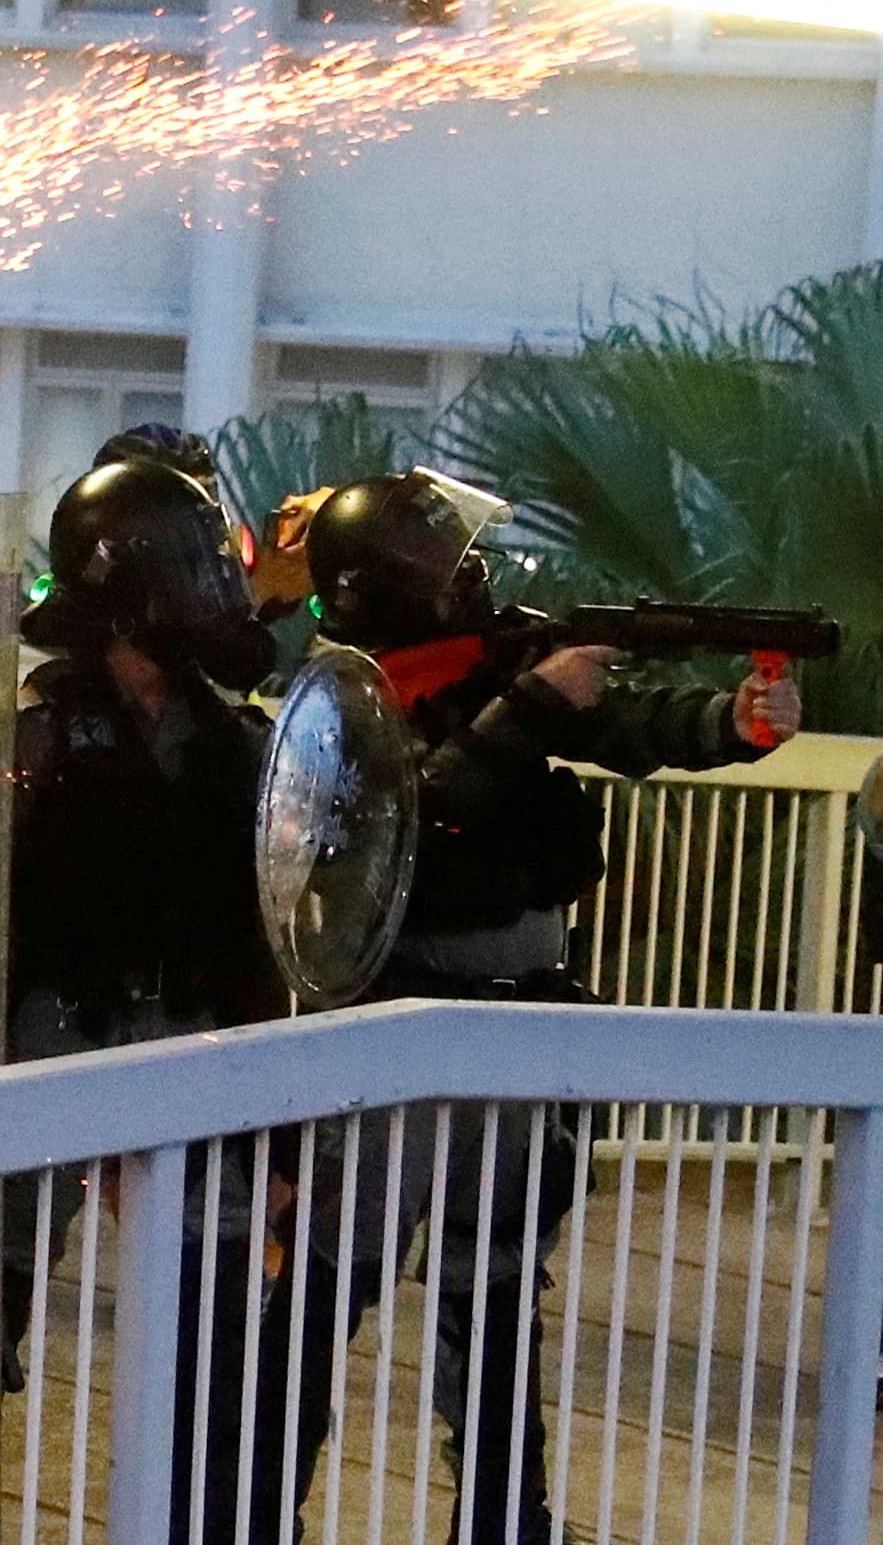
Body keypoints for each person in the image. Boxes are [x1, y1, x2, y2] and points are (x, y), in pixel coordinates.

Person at [281, 468, 800, 1545]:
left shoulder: (489, 673)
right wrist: (527, 708)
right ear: (390, 589)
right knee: (328, 1293)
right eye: (441, 565)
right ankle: (249, 1503)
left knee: (497, 1296)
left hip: (517, 1021)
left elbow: (632, 728)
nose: (468, 577)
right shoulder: (346, 700)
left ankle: (504, 1519)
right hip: (399, 1021)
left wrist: (734, 722)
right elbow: (403, 812)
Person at [3, 451, 293, 1544]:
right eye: (194, 567)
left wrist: (279, 1131)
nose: (215, 588)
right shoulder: (31, 732)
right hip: (55, 1030)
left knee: (211, 1326)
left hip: (192, 1038)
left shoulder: (233, 740)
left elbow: (263, 928)